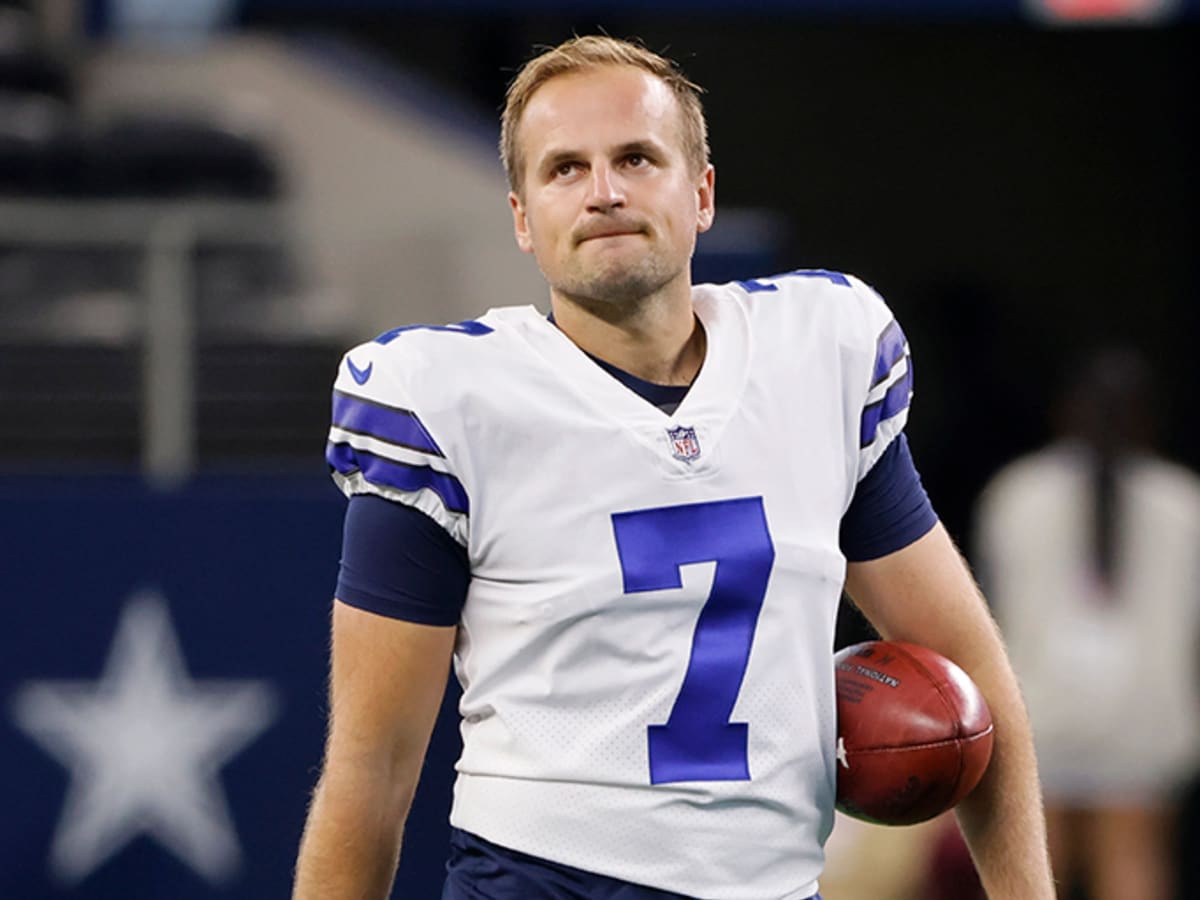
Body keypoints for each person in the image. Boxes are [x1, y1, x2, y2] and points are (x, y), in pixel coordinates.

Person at [293, 34, 1055, 900]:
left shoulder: (820, 360)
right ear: (521, 219)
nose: (604, 191)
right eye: (565, 170)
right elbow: (371, 772)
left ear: (702, 195)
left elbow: (972, 676)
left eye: (635, 158)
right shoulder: (444, 404)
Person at [974, 348, 1200, 900]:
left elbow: (989, 619)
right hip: (1144, 725)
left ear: (1065, 412)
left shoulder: (1017, 494)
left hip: (1038, 720)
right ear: (1148, 417)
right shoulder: (1184, 504)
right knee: (1132, 865)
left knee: (1031, 878)